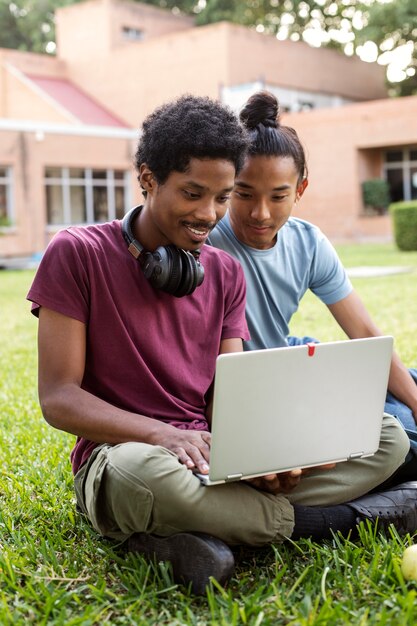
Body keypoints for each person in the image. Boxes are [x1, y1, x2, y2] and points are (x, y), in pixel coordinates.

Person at [27, 94, 417, 595]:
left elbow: (224, 396)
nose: (208, 215)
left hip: (213, 458)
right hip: (127, 456)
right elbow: (59, 398)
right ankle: (336, 521)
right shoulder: (77, 253)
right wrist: (161, 435)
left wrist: (261, 458)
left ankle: (191, 535)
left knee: (384, 437)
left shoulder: (226, 272)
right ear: (148, 178)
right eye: (192, 193)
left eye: (220, 196)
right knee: (139, 476)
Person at [208, 90, 417, 452]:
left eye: (277, 196)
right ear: (227, 189)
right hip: (248, 391)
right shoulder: (206, 242)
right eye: (244, 194)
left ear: (300, 190)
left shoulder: (308, 243)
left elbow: (365, 333)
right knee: (393, 434)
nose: (261, 213)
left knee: (406, 387)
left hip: (290, 367)